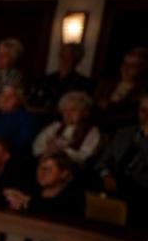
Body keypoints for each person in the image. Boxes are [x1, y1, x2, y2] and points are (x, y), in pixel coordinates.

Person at [95, 94, 148, 227]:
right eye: (143, 110)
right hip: (114, 178)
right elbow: (103, 160)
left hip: (140, 188)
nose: (146, 115)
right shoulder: (124, 132)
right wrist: (106, 175)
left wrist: (145, 138)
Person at [3, 151, 86, 220]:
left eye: (48, 170)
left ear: (63, 173)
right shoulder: (31, 187)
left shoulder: (74, 195)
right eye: (40, 168)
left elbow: (57, 211)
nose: (42, 173)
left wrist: (26, 201)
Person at [33, 90, 102, 165]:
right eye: (65, 110)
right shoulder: (55, 126)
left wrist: (61, 152)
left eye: (73, 110)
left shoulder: (92, 131)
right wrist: (47, 152)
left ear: (85, 112)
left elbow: (84, 156)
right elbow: (37, 145)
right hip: (45, 161)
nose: (68, 114)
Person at [29, 42, 95, 115]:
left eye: (69, 57)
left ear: (77, 60)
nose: (64, 60)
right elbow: (31, 102)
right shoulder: (45, 80)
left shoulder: (84, 84)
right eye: (62, 56)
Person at [96, 47, 147, 134]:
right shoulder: (105, 85)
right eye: (125, 64)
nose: (126, 68)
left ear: (141, 68)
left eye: (132, 66)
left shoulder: (142, 92)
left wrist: (110, 107)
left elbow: (133, 116)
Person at [0, 84, 38, 161]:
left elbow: (21, 145)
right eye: (2, 95)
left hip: (8, 157)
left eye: (11, 96)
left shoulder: (27, 118)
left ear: (19, 100)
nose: (5, 99)